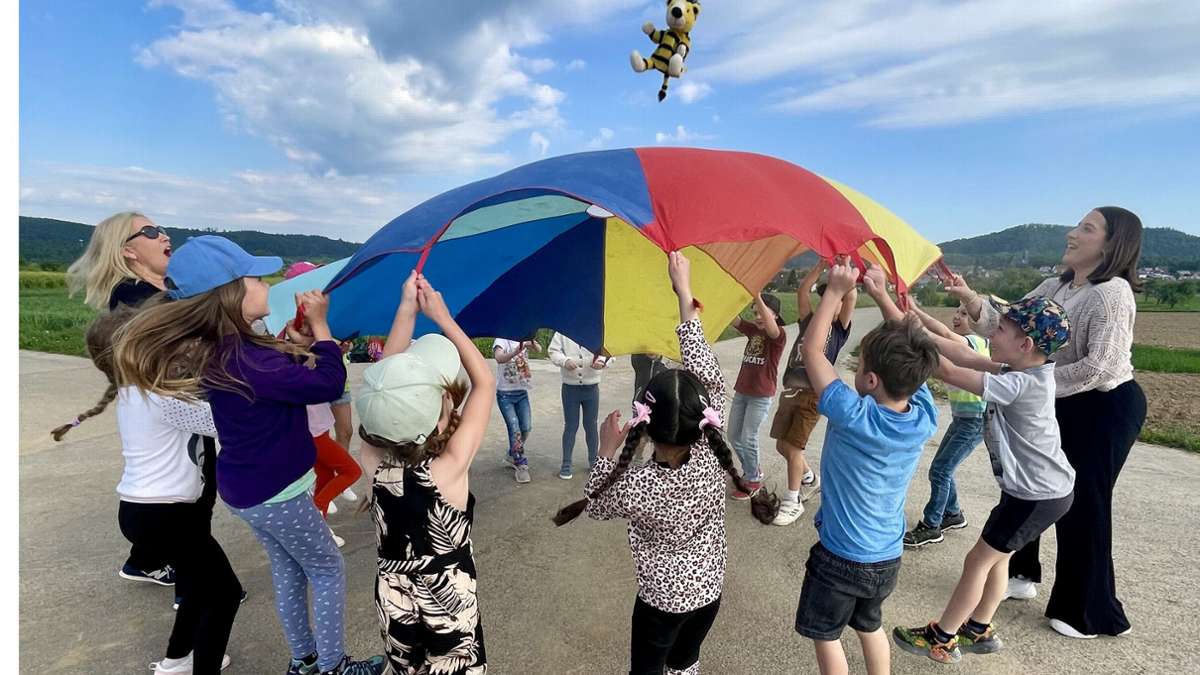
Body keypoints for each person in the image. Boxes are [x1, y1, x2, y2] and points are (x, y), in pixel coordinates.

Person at [113, 236, 384, 675]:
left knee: (290, 570)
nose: (267, 283)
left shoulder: (230, 350)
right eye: (257, 277)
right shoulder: (246, 358)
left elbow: (279, 374)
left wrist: (297, 342)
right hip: (279, 491)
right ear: (232, 292)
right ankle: (333, 666)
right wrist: (322, 331)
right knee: (329, 568)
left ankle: (305, 659)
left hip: (248, 492)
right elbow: (328, 385)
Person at [553, 251, 775, 675]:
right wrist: (684, 294)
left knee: (649, 668)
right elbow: (708, 374)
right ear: (702, 414)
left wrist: (605, 453)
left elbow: (597, 504)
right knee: (685, 661)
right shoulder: (714, 448)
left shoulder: (637, 485)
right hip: (710, 589)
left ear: (646, 427)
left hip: (661, 600)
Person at [952, 206, 1146, 639]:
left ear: (1111, 244)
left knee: (1084, 503)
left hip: (1104, 408)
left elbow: (1100, 366)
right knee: (1032, 484)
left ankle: (1086, 611)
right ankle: (1021, 575)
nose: (1072, 233)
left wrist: (1029, 383)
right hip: (1057, 396)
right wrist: (968, 297)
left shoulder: (1111, 293)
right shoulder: (1056, 284)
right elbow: (1009, 324)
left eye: (1086, 228)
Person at [53, 308, 241, 675]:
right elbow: (228, 421)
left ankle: (177, 660)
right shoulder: (164, 400)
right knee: (224, 594)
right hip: (167, 515)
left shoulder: (134, 393)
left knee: (201, 588)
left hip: (146, 513)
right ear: (144, 352)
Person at [893, 295, 1075, 664]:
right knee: (998, 558)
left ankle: (942, 637)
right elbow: (960, 353)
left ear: (1025, 345)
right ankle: (978, 628)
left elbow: (947, 370)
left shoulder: (1021, 385)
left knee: (978, 560)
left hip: (1035, 496)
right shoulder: (1020, 371)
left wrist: (903, 326)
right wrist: (905, 314)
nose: (992, 331)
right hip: (1037, 493)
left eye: (1001, 329)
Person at [792, 260, 939, 675]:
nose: (853, 373)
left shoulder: (853, 414)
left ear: (871, 380)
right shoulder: (922, 412)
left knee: (827, 634)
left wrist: (835, 293)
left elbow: (811, 351)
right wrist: (878, 294)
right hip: (886, 557)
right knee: (869, 626)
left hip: (841, 556)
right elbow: (919, 356)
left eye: (858, 369)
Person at [356, 271, 495, 675]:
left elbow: (383, 390)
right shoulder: (448, 470)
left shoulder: (373, 462)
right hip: (447, 598)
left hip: (393, 596)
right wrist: (443, 318)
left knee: (404, 666)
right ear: (437, 422)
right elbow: (484, 383)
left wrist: (405, 311)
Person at [66, 210, 178, 586]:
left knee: (188, 481)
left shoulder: (170, 285)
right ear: (128, 251)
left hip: (181, 399)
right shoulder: (132, 295)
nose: (163, 234)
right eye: (149, 231)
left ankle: (143, 560)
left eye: (161, 228)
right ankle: (195, 586)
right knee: (184, 488)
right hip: (163, 404)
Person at [768, 262, 858, 525]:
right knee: (782, 445)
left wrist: (846, 266)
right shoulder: (810, 322)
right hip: (791, 391)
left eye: (836, 300)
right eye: (827, 298)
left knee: (794, 448)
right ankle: (809, 479)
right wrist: (820, 265)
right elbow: (802, 291)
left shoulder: (838, 330)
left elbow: (850, 295)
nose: (830, 304)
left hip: (812, 395)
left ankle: (792, 500)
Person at [902, 302, 991, 548]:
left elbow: (942, 332)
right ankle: (952, 514)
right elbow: (941, 330)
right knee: (941, 469)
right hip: (963, 418)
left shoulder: (974, 342)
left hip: (974, 420)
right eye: (957, 311)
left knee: (940, 471)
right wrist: (914, 308)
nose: (957, 316)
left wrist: (916, 318)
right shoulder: (963, 345)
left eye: (964, 313)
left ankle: (932, 526)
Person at [727, 293, 787, 500]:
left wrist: (757, 296)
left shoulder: (778, 335)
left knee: (748, 437)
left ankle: (753, 480)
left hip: (760, 396)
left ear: (776, 316)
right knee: (733, 435)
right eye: (755, 313)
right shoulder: (753, 330)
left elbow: (770, 328)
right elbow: (732, 318)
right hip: (742, 391)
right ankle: (753, 469)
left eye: (762, 312)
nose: (758, 316)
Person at [548, 332, 613, 479]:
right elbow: (553, 351)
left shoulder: (598, 329)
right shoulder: (562, 331)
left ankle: (593, 462)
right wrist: (564, 361)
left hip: (591, 387)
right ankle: (566, 465)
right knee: (571, 426)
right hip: (570, 388)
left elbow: (610, 351)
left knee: (591, 425)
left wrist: (602, 362)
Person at [307, 402, 363, 546]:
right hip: (313, 431)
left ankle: (320, 528)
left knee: (326, 477)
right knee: (352, 471)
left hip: (317, 426)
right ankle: (316, 512)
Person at [494, 335, 540, 483]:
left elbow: (539, 349)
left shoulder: (523, 339)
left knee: (526, 427)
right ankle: (520, 464)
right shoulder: (501, 340)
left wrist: (531, 342)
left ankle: (511, 454)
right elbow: (499, 358)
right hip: (505, 395)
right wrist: (515, 351)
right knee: (515, 429)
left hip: (522, 392)